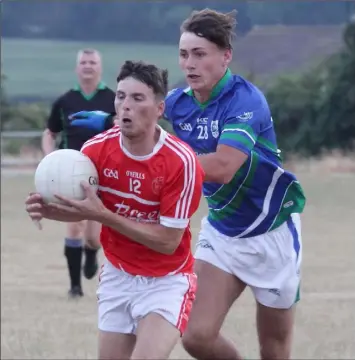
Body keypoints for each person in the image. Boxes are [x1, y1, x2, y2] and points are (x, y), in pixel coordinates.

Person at [67, 9, 307, 360]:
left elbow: (224, 167)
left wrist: (159, 170)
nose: (189, 64)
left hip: (272, 233)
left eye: (200, 54)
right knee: (196, 337)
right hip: (223, 234)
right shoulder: (181, 102)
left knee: (273, 346)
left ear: (225, 56)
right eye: (183, 55)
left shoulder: (245, 101)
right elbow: (145, 110)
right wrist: (108, 118)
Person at [26, 60, 204, 360]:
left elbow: (167, 240)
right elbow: (88, 209)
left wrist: (104, 216)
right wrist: (53, 209)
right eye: (121, 97)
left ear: (159, 109)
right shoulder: (94, 152)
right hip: (118, 277)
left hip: (167, 280)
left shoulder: (180, 161)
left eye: (137, 98)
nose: (125, 106)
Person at [42, 48, 116, 298]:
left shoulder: (112, 99)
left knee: (94, 238)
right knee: (74, 228)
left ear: (100, 67)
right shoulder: (65, 101)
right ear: (77, 68)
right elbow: (49, 133)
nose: (88, 66)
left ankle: (92, 252)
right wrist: (49, 158)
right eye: (83, 62)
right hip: (70, 174)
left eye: (92, 62)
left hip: (102, 174)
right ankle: (75, 287)